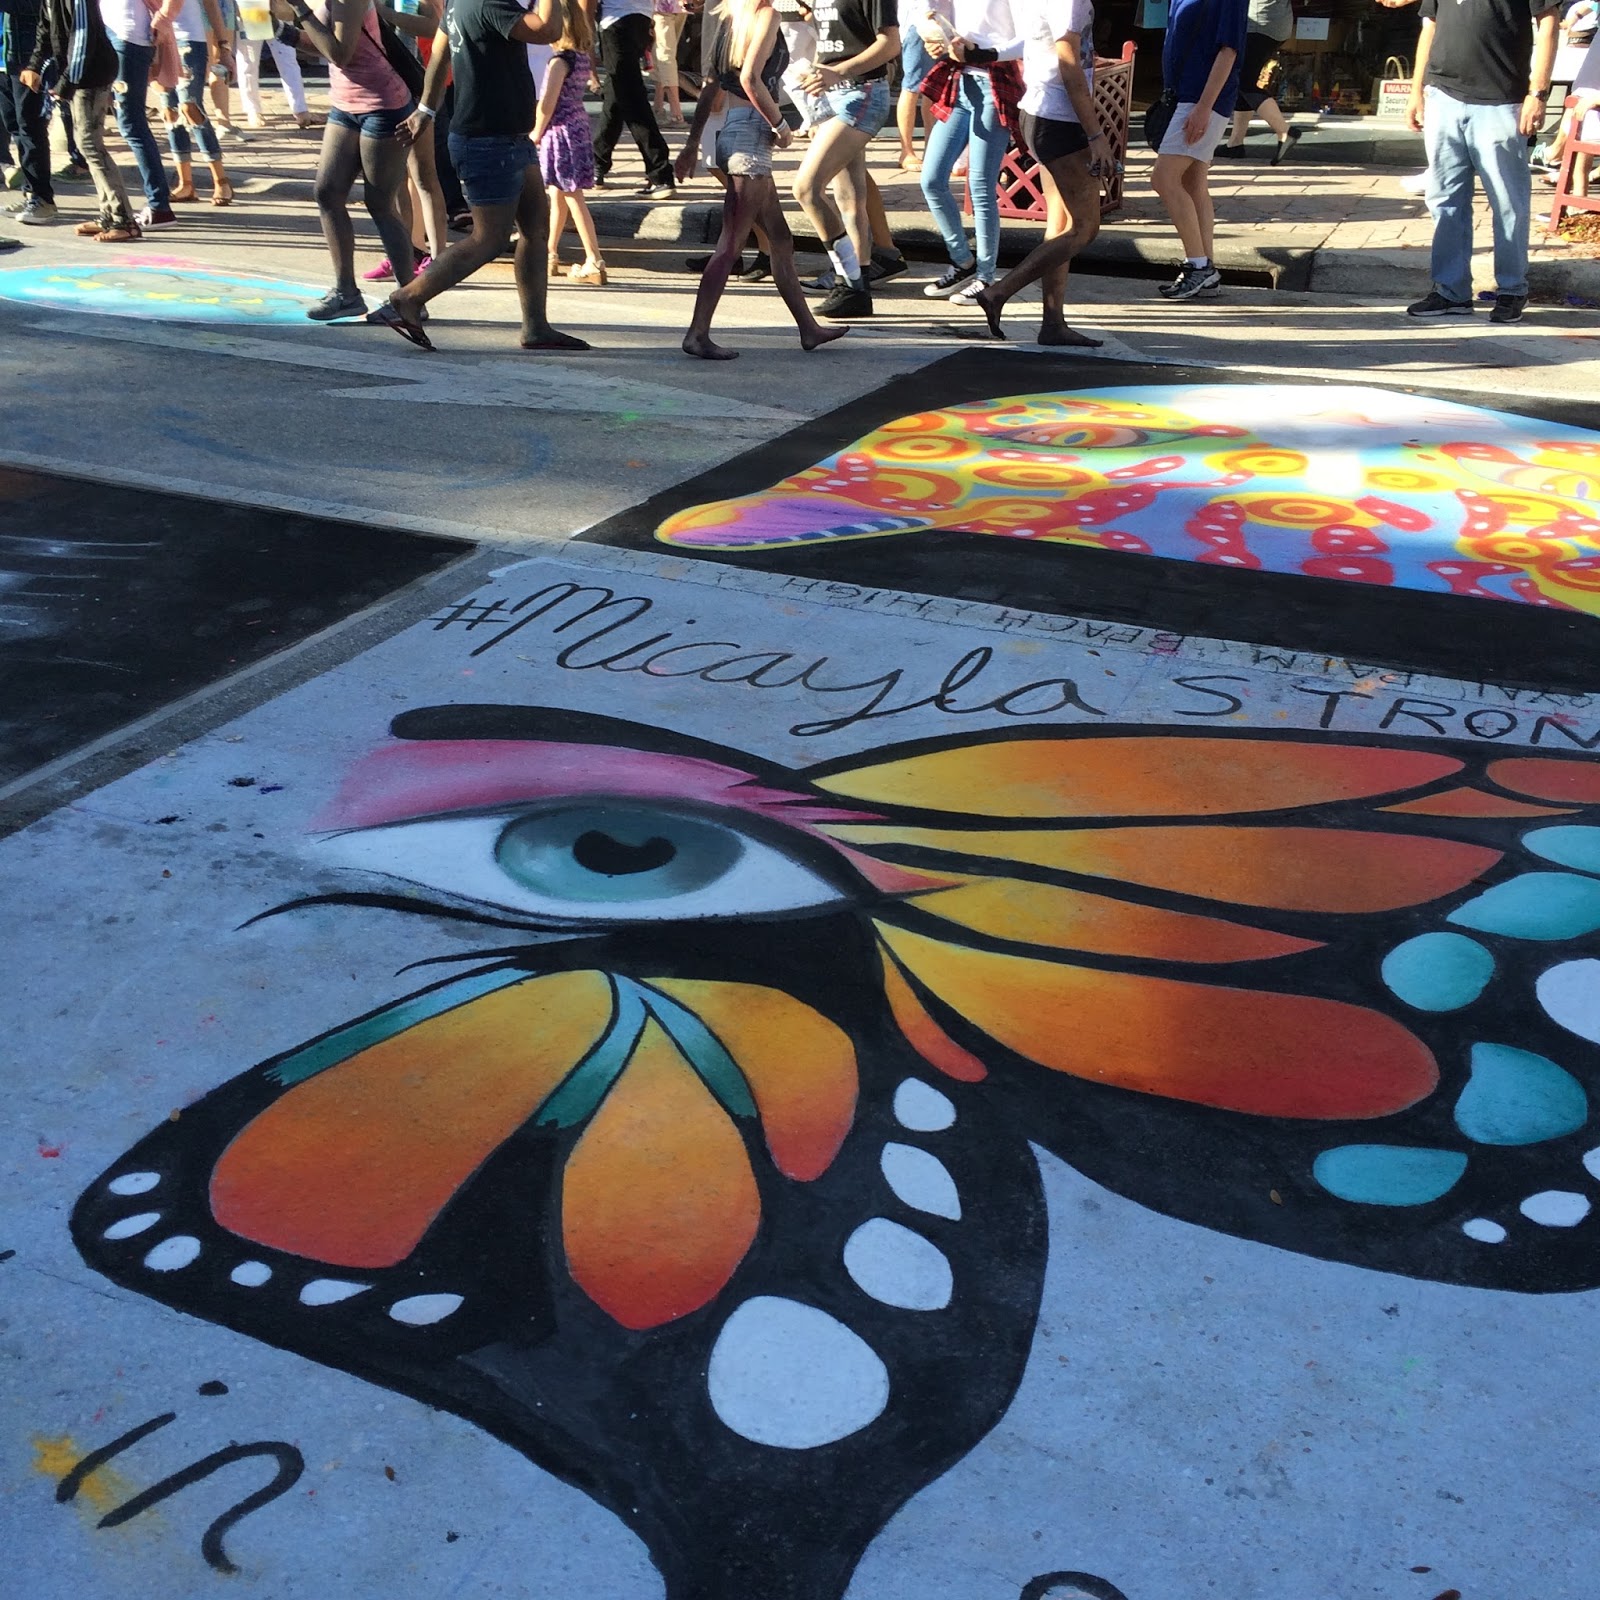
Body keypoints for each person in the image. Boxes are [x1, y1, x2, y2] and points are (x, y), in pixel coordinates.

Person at [367, 0, 588, 352]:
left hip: (510, 136)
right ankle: (408, 297)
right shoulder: (488, 3)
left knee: (535, 228)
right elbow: (548, 30)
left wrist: (426, 109)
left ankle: (536, 327)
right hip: (489, 141)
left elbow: (440, 53)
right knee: (489, 238)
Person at [676, 0, 849, 356]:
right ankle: (697, 333)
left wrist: (692, 144)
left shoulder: (732, 17)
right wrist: (781, 125)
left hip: (732, 134)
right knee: (730, 243)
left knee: (780, 238)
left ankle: (809, 329)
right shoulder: (765, 15)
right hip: (750, 139)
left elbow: (712, 84)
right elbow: (749, 79)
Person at [1405, 0, 1559, 322]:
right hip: (1443, 94)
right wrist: (1417, 89)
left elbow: (1548, 23)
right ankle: (1451, 292)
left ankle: (1512, 290)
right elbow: (1430, 26)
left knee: (1508, 201)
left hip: (1501, 99)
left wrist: (1538, 93)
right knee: (1444, 199)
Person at [274, 0, 419, 321]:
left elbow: (342, 52)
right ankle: (346, 293)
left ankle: (411, 298)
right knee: (327, 192)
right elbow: (325, 44)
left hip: (383, 106)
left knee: (380, 203)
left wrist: (299, 8)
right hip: (346, 104)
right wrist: (282, 32)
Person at [973, 0, 1106, 344]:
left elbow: (1032, 44)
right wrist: (1096, 135)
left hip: (1039, 111)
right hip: (1060, 118)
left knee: (1060, 226)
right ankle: (999, 292)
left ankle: (1052, 324)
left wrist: (984, 52)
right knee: (1084, 228)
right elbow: (1069, 65)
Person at [791, 0, 900, 319]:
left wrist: (837, 70)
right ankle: (857, 289)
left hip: (860, 93)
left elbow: (890, 43)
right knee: (850, 197)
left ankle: (849, 278)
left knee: (806, 189)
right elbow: (837, 40)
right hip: (831, 93)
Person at [915, 0, 1022, 307]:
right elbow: (947, 25)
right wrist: (941, 43)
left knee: (980, 186)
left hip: (994, 82)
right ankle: (963, 261)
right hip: (961, 79)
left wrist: (983, 53)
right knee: (931, 179)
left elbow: (1028, 40)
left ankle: (986, 276)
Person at [1149, 0, 1246, 300]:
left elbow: (1228, 50)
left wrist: (1204, 107)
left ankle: (1198, 266)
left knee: (1164, 179)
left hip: (1201, 99)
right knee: (1192, 181)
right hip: (1187, 96)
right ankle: (1206, 269)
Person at [24, 0, 142, 238]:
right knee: (86, 145)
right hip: (79, 73)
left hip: (92, 73)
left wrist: (66, 82)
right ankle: (109, 214)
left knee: (90, 145)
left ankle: (123, 220)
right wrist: (35, 65)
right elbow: (45, 30)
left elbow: (83, 37)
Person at [535, 0, 607, 283]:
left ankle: (594, 259)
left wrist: (535, 133)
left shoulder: (558, 62)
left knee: (572, 195)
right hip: (577, 127)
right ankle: (550, 251)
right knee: (559, 194)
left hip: (559, 132)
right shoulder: (580, 59)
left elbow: (547, 104)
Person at [101, 0, 179, 228]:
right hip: (114, 32)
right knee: (128, 123)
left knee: (132, 124)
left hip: (129, 35)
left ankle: (159, 206)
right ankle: (156, 203)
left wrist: (162, 19)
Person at [593, 0, 675, 195]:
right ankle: (597, 162)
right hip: (640, 18)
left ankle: (660, 172)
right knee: (617, 95)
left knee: (632, 100)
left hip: (615, 21)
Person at [162, 0, 233, 203]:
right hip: (159, 40)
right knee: (170, 110)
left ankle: (221, 180)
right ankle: (185, 183)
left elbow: (211, 5)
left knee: (190, 107)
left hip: (189, 40)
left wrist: (223, 47)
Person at [1217, 0, 1298, 162]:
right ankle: (1235, 144)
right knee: (1244, 79)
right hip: (1275, 22)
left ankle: (1284, 130)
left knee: (1242, 81)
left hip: (1260, 23)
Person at [0, 0, 59, 223]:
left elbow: (39, 10)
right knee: (14, 126)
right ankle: (30, 193)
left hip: (26, 59)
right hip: (5, 58)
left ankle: (43, 199)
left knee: (30, 127)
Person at [235, 19, 313, 124]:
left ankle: (300, 109)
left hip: (279, 14)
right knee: (248, 63)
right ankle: (252, 110)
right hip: (249, 12)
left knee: (289, 62)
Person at [894, 0, 939, 166]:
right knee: (912, 86)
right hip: (919, 22)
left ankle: (931, 148)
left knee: (935, 87)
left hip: (944, 21)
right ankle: (906, 151)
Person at [653, 0, 686, 124]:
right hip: (679, 6)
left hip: (659, 7)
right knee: (662, 54)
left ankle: (676, 114)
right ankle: (658, 107)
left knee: (664, 56)